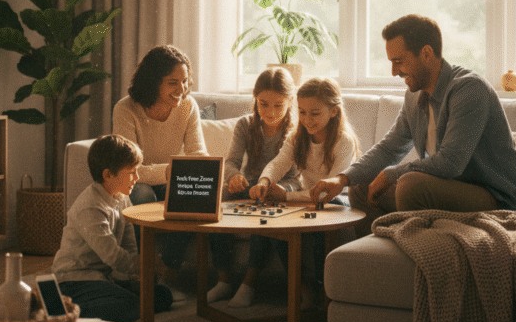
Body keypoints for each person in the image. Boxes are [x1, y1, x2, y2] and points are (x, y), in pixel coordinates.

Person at [309, 14, 516, 233]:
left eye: (399, 62)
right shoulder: (414, 95)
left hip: (499, 198)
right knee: (360, 187)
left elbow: (451, 163)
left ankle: (412, 252)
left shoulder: (469, 89)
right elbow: (390, 147)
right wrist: (342, 179)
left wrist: (390, 175)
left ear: (426, 53)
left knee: (410, 185)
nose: (394, 72)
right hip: (449, 189)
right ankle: (382, 257)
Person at [232, 76, 359, 308]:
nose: (307, 120)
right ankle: (302, 286)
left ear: (333, 112)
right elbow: (277, 163)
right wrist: (264, 180)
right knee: (279, 224)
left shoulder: (343, 142)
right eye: (302, 112)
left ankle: (324, 290)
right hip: (307, 198)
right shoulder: (297, 137)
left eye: (314, 113)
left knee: (324, 222)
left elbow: (327, 192)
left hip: (335, 199)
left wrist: (287, 196)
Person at [113, 44, 207, 299]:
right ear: (153, 81)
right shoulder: (126, 108)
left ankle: (169, 268)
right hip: (135, 180)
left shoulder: (188, 106)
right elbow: (127, 168)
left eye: (185, 82)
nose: (182, 90)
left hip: (169, 179)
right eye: (173, 82)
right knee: (143, 196)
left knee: (189, 196)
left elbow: (198, 153)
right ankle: (142, 270)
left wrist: (199, 171)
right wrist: (169, 171)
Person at [52, 134, 173, 322]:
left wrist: (137, 275)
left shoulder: (121, 196)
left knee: (162, 295)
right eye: (131, 172)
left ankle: (82, 304)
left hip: (102, 278)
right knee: (131, 305)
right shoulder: (91, 206)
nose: (138, 177)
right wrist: (145, 264)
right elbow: (112, 255)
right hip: (74, 280)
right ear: (108, 175)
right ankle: (60, 313)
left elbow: (128, 242)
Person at [206, 67, 301, 305]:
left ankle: (249, 283)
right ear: (255, 99)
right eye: (263, 104)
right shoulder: (245, 125)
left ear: (290, 101)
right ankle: (224, 280)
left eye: (278, 105)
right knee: (218, 202)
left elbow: (296, 180)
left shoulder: (297, 133)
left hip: (277, 189)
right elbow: (232, 162)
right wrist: (234, 176)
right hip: (248, 185)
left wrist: (282, 190)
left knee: (264, 213)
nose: (270, 112)